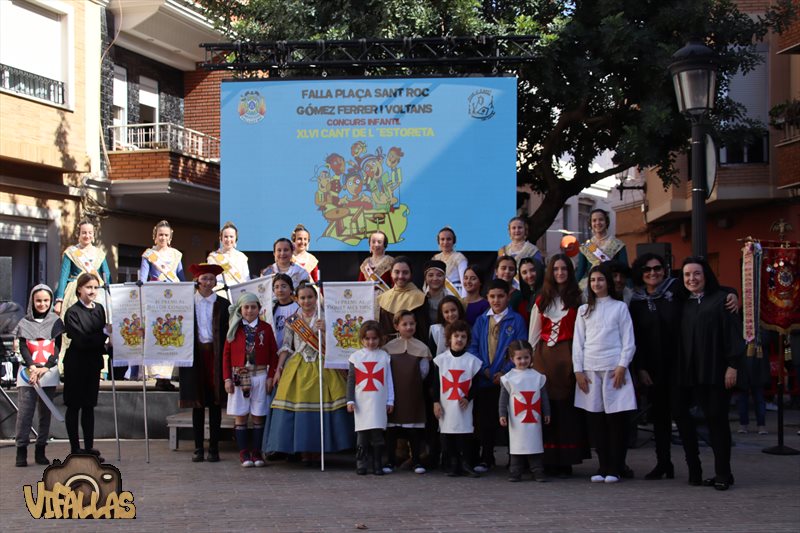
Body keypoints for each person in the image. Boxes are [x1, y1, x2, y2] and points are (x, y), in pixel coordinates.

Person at [629, 253, 742, 481]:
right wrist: (640, 368)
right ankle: (673, 466)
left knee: (703, 418)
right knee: (663, 417)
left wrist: (733, 295)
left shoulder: (676, 293)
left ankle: (710, 471)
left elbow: (714, 293)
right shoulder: (637, 301)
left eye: (657, 268)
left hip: (691, 367)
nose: (653, 273)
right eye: (647, 270)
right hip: (660, 370)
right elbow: (636, 338)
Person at [675, 257, 743, 490]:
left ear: (706, 276)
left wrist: (733, 365)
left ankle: (723, 473)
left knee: (717, 423)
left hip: (716, 372)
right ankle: (696, 471)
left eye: (697, 274)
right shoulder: (684, 302)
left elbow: (733, 334)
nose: (691, 279)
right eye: (687, 275)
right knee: (687, 420)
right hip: (690, 375)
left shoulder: (722, 301)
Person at [267, 283, 353, 458]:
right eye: (303, 298)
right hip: (298, 365)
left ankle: (320, 449)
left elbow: (338, 344)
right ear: (296, 299)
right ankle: (301, 449)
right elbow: (286, 346)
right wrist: (278, 369)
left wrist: (325, 331)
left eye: (310, 297)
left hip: (322, 364)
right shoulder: (292, 320)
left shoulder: (327, 317)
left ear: (316, 298)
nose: (307, 301)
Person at [573, 263, 637, 484]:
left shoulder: (619, 308)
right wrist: (578, 370)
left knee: (616, 421)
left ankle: (616, 466)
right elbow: (578, 343)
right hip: (590, 370)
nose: (596, 284)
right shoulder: (584, 310)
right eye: (592, 280)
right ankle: (602, 465)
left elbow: (628, 340)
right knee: (596, 421)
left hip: (613, 370)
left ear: (608, 282)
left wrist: (622, 366)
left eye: (600, 279)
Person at [528, 253, 587, 476]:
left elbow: (582, 333)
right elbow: (534, 333)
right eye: (556, 269)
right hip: (545, 359)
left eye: (564, 269)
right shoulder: (542, 299)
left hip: (569, 357)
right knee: (547, 409)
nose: (560, 273)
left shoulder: (577, 298)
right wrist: (531, 362)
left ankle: (566, 459)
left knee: (566, 411)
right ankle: (548, 459)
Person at [469, 278, 527, 472]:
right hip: (485, 379)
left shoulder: (516, 320)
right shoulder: (481, 320)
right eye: (492, 296)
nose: (496, 300)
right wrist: (484, 368)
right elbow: (474, 346)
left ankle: (515, 458)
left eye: (500, 296)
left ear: (508, 296)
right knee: (485, 421)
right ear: (487, 297)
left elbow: (520, 347)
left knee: (510, 419)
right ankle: (487, 457)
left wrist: (505, 371)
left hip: (509, 380)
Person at [179, 263, 230, 463]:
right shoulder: (186, 303)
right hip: (195, 356)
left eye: (211, 279)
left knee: (215, 403)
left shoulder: (224, 304)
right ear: (197, 281)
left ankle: (214, 448)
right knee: (197, 404)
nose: (208, 282)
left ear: (215, 282)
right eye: (204, 278)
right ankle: (198, 447)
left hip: (216, 355)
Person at [223, 292, 279, 467]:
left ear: (259, 309)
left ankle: (256, 452)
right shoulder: (234, 328)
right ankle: (243, 453)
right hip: (239, 377)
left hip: (260, 376)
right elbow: (226, 356)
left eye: (253, 307)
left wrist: (271, 376)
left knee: (258, 416)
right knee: (241, 416)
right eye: (246, 307)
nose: (249, 310)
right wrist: (227, 379)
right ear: (241, 309)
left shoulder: (266, 328)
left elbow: (273, 354)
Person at [14, 284, 64, 467]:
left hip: (47, 373)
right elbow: (22, 346)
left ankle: (40, 450)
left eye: (46, 300)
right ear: (32, 302)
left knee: (45, 414)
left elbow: (57, 346)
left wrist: (46, 367)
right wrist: (32, 367)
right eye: (38, 300)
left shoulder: (56, 322)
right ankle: (21, 450)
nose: (42, 304)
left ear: (50, 301)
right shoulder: (24, 323)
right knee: (25, 414)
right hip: (28, 374)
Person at [63, 273, 109, 460]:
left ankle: (89, 447)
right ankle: (75, 448)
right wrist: (104, 334)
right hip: (76, 364)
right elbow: (81, 340)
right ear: (80, 289)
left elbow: (100, 335)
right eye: (88, 287)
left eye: (95, 287)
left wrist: (106, 337)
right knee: (74, 406)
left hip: (93, 364)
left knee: (89, 406)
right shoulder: (72, 312)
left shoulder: (99, 309)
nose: (92, 291)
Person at [383, 310, 432, 474]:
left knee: (414, 430)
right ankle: (390, 461)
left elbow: (424, 372)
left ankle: (416, 460)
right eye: (404, 324)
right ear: (397, 326)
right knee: (392, 431)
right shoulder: (388, 348)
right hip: (394, 394)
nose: (409, 327)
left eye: (412, 323)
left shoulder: (422, 348)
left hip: (413, 394)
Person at [431, 320, 482, 477]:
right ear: (449, 338)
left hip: (464, 405)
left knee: (465, 434)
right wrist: (436, 402)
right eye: (456, 336)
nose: (459, 339)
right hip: (446, 404)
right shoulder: (441, 360)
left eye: (463, 336)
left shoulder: (472, 361)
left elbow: (476, 384)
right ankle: (452, 464)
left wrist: (468, 397)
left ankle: (466, 463)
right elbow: (435, 383)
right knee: (448, 434)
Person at [139, 219, 185, 390]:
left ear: (170, 237)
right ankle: (158, 376)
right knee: (158, 333)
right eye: (160, 235)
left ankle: (168, 375)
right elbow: (143, 278)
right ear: (155, 236)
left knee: (171, 333)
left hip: (172, 300)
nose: (163, 238)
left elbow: (181, 276)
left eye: (166, 235)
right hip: (155, 299)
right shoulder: (149, 254)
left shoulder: (176, 255)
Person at [347, 321, 394, 475]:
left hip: (379, 401)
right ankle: (361, 463)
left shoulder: (384, 356)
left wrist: (390, 400)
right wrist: (350, 400)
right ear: (362, 339)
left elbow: (388, 380)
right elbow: (352, 381)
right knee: (362, 434)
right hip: (361, 402)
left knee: (377, 434)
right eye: (367, 339)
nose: (371, 342)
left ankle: (377, 463)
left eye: (374, 338)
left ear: (380, 339)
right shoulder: (356, 357)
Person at [500, 340, 551, 482]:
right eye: (519, 358)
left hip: (534, 418)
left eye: (526, 358)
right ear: (512, 359)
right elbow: (503, 399)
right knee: (517, 445)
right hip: (517, 420)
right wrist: (502, 414)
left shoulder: (537, 377)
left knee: (534, 444)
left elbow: (544, 397)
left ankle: (538, 471)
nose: (523, 361)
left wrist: (547, 412)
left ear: (531, 357)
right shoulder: (508, 378)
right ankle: (515, 472)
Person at [54, 219, 110, 316]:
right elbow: (63, 277)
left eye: (90, 233)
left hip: (96, 291)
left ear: (93, 235)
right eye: (84, 233)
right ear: (78, 234)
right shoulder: (71, 252)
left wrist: (110, 293)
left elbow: (107, 275)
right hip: (75, 292)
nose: (87, 236)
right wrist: (59, 300)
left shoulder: (99, 253)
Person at [376, 257, 429, 342]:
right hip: (388, 348)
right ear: (391, 273)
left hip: (413, 348)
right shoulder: (383, 298)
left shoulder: (420, 298)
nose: (400, 276)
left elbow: (423, 332)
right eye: (396, 272)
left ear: (411, 274)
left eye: (405, 273)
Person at [575, 209, 628, 287]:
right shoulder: (586, 246)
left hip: (612, 285)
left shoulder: (618, 245)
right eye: (594, 220)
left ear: (606, 222)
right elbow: (580, 271)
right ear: (591, 224)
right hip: (592, 286)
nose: (597, 223)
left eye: (601, 219)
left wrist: (630, 288)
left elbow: (624, 269)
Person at [207, 221, 250, 296]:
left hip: (239, 295)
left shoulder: (242, 257)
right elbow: (211, 279)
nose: (228, 239)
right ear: (221, 238)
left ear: (236, 238)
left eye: (231, 236)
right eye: (226, 236)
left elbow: (246, 279)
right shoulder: (213, 257)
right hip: (220, 295)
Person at [432, 227, 468, 297]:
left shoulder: (459, 257)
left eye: (449, 239)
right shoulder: (435, 258)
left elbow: (465, 281)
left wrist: (464, 299)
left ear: (453, 241)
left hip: (455, 295)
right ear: (438, 241)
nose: (445, 242)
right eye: (442, 239)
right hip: (438, 295)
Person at [495, 255, 528, 323]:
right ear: (496, 271)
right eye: (503, 268)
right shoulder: (488, 293)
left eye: (511, 269)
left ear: (515, 273)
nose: (507, 271)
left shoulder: (519, 296)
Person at [271, 274, 299, 348]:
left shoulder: (297, 309)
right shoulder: (272, 308)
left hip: (292, 351)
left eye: (284, 286)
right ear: (273, 291)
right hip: (274, 350)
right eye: (276, 287)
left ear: (291, 289)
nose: (280, 290)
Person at [422, 259, 448, 325]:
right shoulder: (420, 298)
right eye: (430, 275)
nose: (435, 278)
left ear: (444, 278)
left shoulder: (450, 298)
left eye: (439, 275)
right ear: (425, 278)